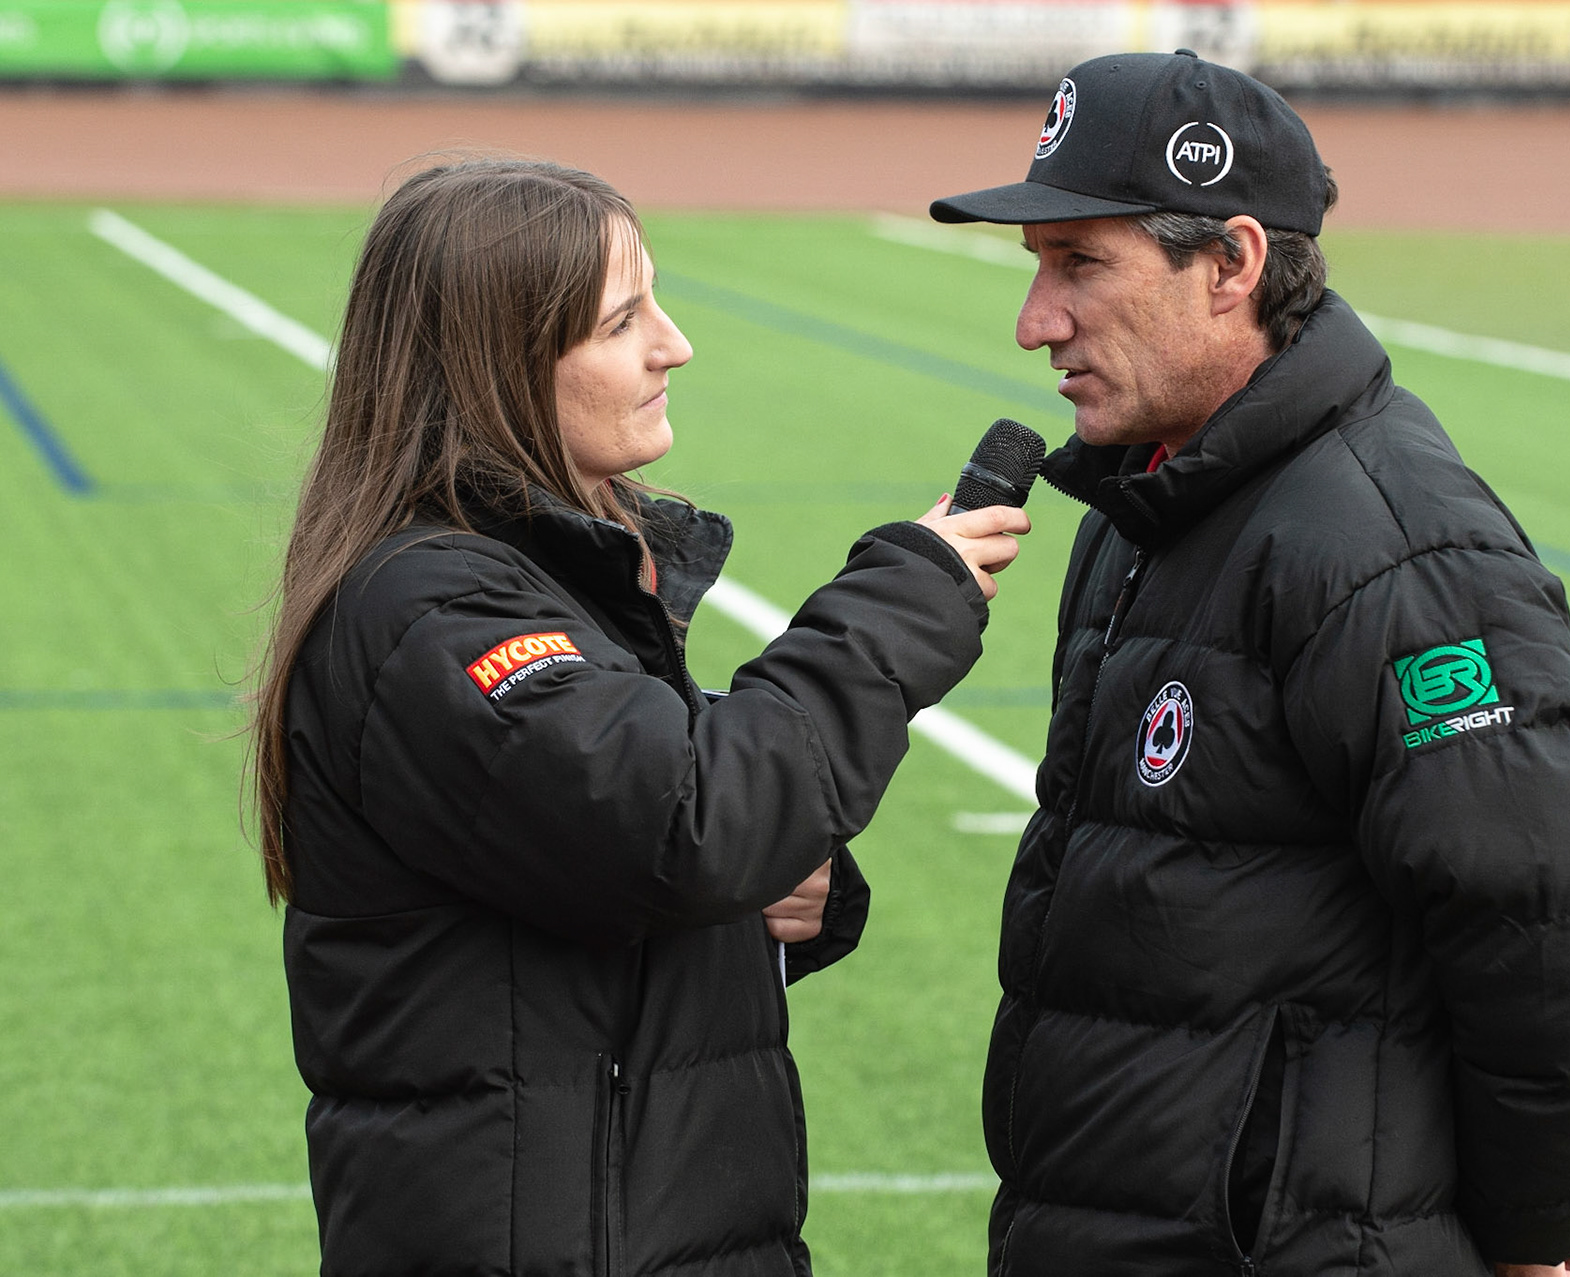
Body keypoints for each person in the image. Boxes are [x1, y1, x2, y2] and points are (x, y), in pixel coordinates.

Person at [929, 51, 1570, 1277]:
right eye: (1036, 269)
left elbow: (1560, 923)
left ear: (1232, 265)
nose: (1034, 322)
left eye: (1081, 265)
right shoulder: (1141, 501)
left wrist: (1535, 1237)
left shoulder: (1388, 543)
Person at [245, 157, 1028, 1276]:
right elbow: (682, 824)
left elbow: (612, 842)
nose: (674, 343)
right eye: (624, 320)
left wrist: (781, 883)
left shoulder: (542, 578)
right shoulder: (433, 612)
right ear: (504, 364)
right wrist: (903, 596)